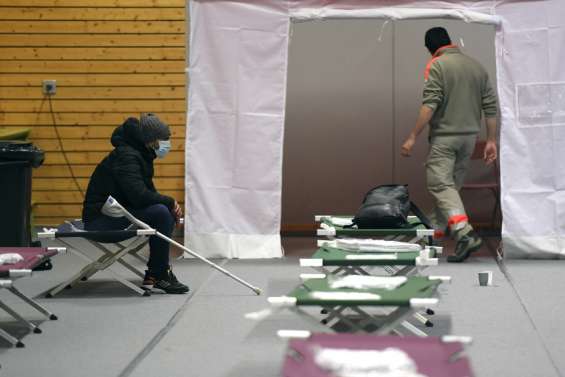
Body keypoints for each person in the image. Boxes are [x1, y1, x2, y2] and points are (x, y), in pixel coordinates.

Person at [400, 27, 498, 263]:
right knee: (450, 188)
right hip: (469, 139)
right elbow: (490, 106)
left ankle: (464, 234)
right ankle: (432, 236)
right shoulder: (476, 67)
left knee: (440, 185)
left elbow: (430, 103)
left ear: (430, 48)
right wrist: (491, 140)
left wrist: (413, 135)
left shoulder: (437, 65)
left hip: (445, 138)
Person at [82, 113, 189, 293]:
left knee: (163, 211)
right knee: (161, 212)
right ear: (151, 140)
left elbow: (147, 194)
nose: (167, 144)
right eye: (164, 139)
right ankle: (159, 275)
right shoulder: (127, 157)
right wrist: (170, 202)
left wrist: (169, 207)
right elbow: (139, 196)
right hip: (101, 221)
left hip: (117, 214)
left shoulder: (140, 154)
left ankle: (156, 274)